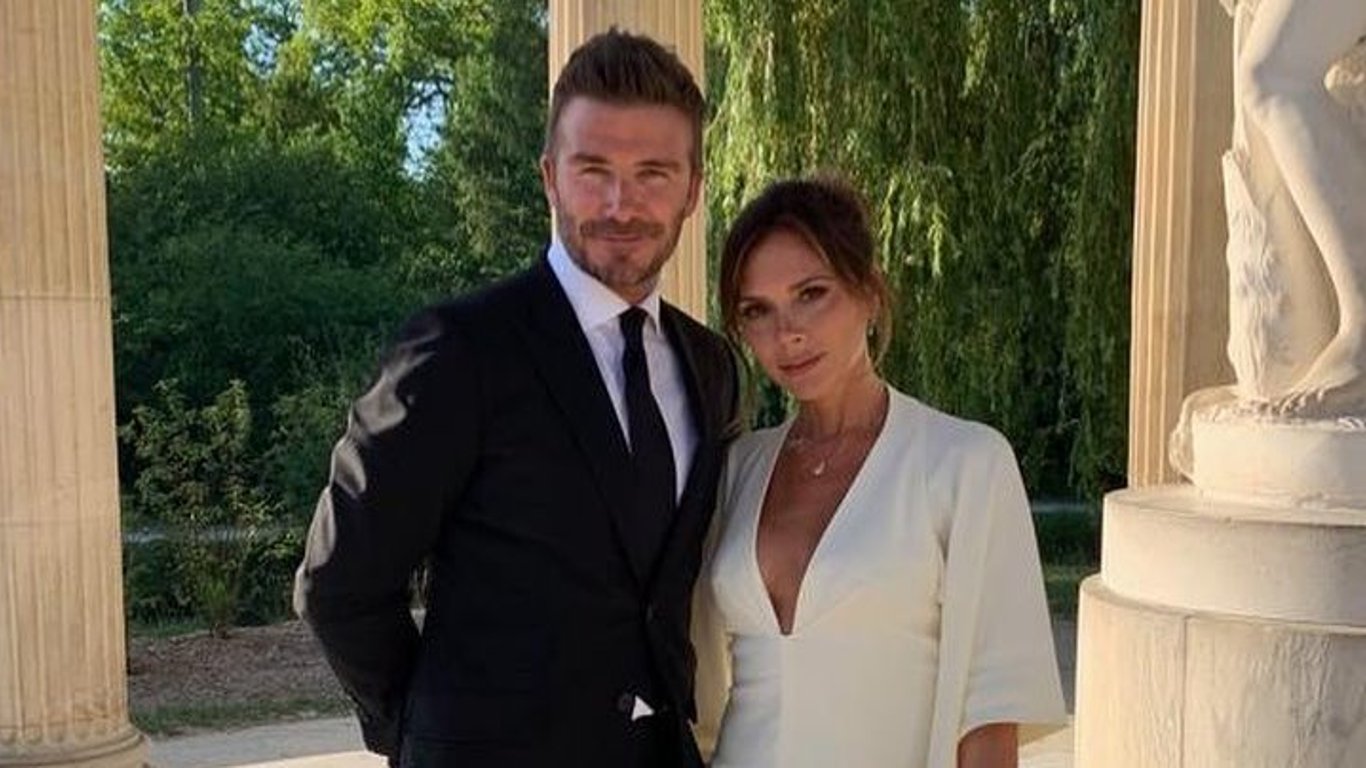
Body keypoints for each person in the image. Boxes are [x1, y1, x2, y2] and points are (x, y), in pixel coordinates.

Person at [293, 29, 739, 768]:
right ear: (549, 177)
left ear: (693, 189)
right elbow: (341, 582)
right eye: (593, 169)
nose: (621, 203)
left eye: (653, 173)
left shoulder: (710, 365)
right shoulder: (457, 351)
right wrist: (424, 731)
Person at [693, 176, 1066, 767]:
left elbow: (990, 718)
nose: (787, 332)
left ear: (868, 292)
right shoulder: (740, 466)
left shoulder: (965, 464)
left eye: (811, 293)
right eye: (757, 311)